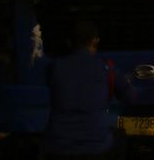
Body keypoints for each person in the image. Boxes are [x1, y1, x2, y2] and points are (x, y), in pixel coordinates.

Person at [42, 21, 129, 160]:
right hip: (96, 147)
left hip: (57, 146)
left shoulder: (55, 67)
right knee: (120, 136)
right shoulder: (106, 68)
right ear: (95, 40)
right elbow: (128, 95)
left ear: (69, 42)